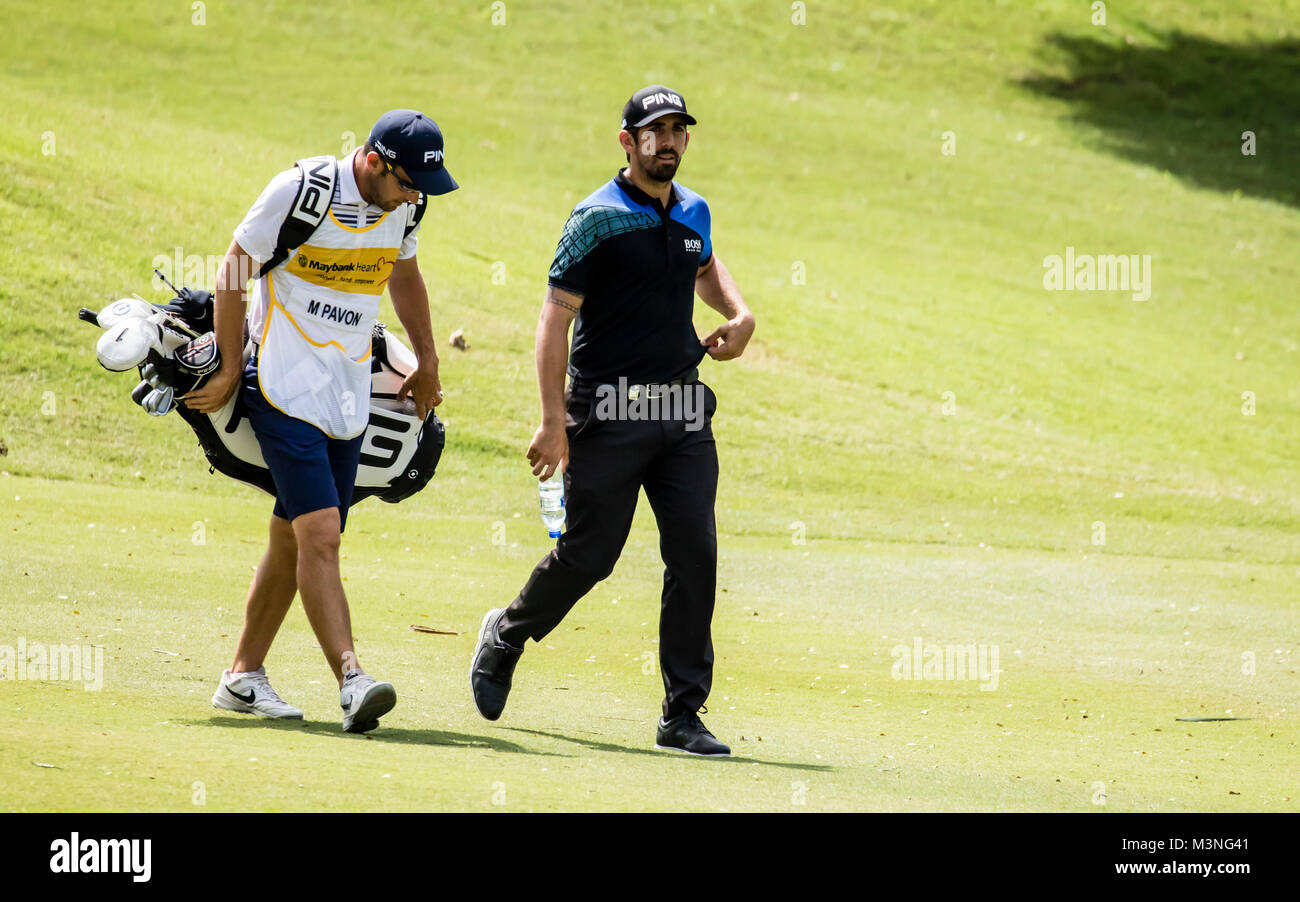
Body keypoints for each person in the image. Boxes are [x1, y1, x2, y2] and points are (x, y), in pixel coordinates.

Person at [470, 85, 755, 756]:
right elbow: (553, 322)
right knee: (589, 557)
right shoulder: (594, 218)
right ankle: (507, 632)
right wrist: (551, 421)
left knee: (696, 553)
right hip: (606, 409)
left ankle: (682, 714)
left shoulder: (693, 210)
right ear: (627, 142)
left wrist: (739, 316)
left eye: (678, 130)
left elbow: (706, 265)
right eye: (654, 131)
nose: (668, 141)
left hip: (682, 407)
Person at [185, 110, 454, 732]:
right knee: (322, 536)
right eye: (409, 181)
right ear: (375, 161)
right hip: (279, 385)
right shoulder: (303, 190)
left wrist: (430, 358)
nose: (416, 195)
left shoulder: (406, 210)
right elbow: (233, 271)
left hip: (346, 396)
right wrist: (228, 367)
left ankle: (242, 677)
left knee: (293, 536)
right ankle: (353, 680)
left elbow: (405, 278)